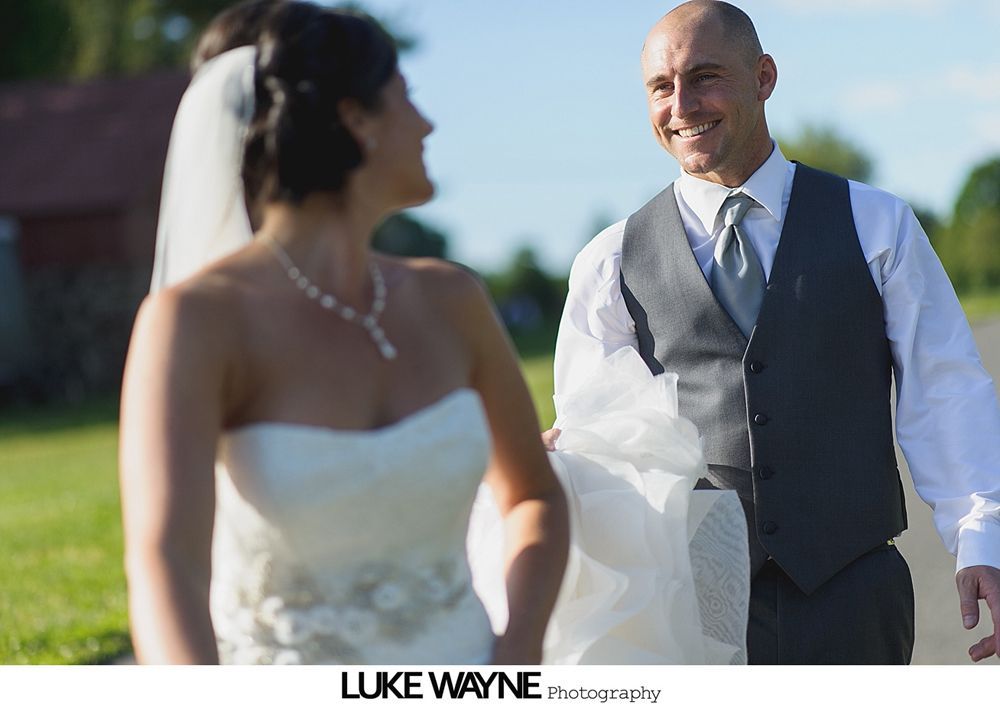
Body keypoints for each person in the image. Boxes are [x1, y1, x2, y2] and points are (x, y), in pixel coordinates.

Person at [549, 0, 1000, 664]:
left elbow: (945, 390)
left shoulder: (877, 224)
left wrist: (982, 537)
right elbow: (597, 442)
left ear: (763, 77)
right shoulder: (609, 261)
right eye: (660, 86)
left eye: (705, 76)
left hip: (854, 595)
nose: (681, 105)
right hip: (690, 610)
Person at [119, 1, 568, 665]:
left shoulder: (453, 299)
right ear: (356, 120)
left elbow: (533, 494)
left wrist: (518, 652)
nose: (428, 122)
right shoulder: (197, 320)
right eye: (407, 96)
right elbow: (166, 564)